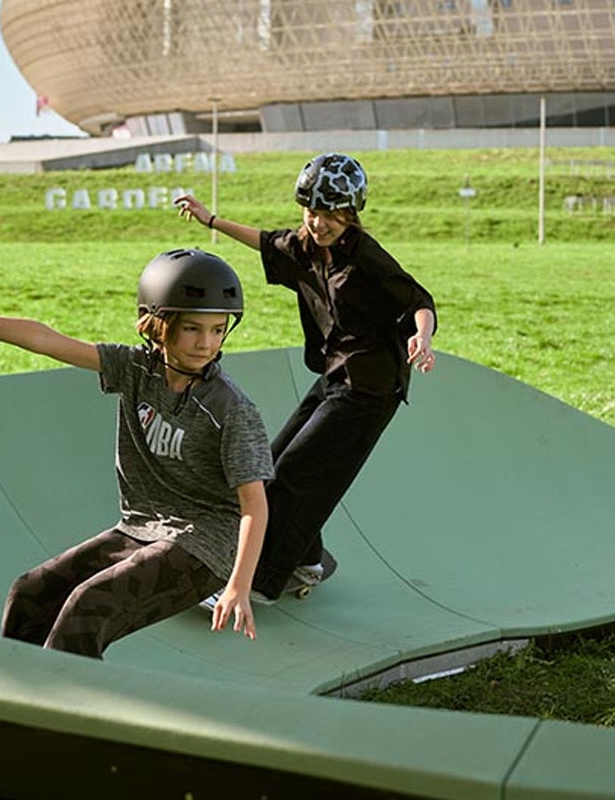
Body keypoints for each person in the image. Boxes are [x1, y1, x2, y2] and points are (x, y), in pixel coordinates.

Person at [0, 248, 273, 655]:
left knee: (88, 606)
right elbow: (46, 340)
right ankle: (11, 704)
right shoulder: (134, 369)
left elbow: (254, 504)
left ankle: (61, 715)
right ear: (158, 325)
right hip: (140, 528)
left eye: (218, 330)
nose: (207, 344)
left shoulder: (230, 409)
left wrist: (239, 583)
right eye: (193, 329)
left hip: (205, 547)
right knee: (31, 593)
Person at [174, 152, 437, 604]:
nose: (319, 223)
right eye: (311, 212)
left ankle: (260, 582)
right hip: (336, 375)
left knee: (296, 478)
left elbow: (418, 300)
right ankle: (307, 560)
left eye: (330, 215)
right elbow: (264, 241)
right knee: (270, 464)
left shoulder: (367, 258)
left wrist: (423, 338)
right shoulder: (303, 248)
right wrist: (210, 220)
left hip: (371, 387)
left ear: (350, 214)